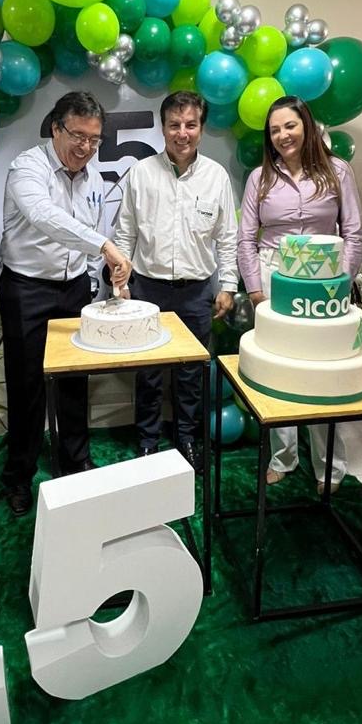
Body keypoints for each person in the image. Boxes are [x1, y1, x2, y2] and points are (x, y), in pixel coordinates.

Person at [0, 91, 131, 517]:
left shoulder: (94, 179)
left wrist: (101, 281)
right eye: (78, 136)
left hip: (73, 289)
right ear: (56, 129)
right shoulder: (28, 168)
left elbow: (93, 232)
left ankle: (77, 462)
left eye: (94, 139)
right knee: (26, 388)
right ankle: (18, 476)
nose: (86, 147)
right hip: (27, 289)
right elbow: (44, 217)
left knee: (75, 383)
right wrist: (105, 247)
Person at [238, 96, 362, 492]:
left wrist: (340, 284)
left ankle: (330, 466)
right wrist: (256, 291)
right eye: (275, 130)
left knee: (321, 371)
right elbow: (245, 239)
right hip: (275, 279)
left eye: (290, 125)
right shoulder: (260, 177)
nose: (283, 135)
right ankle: (283, 457)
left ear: (307, 126)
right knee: (279, 368)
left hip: (324, 281)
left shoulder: (337, 171)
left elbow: (353, 232)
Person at [113, 90, 238, 470]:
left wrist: (228, 286)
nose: (182, 133)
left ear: (201, 128)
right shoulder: (141, 173)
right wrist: (121, 283)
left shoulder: (216, 177)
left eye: (190, 125)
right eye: (174, 125)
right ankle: (148, 440)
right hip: (146, 290)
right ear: (163, 128)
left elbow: (227, 237)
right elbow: (125, 233)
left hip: (196, 292)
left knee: (190, 373)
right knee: (148, 372)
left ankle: (187, 438)